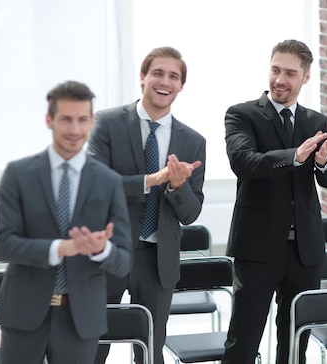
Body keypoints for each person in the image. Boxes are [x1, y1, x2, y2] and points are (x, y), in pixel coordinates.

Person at [221, 39, 327, 364]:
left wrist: (323, 162)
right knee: (243, 342)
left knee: (295, 343)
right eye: (275, 70)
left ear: (305, 77)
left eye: (290, 73)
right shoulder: (242, 114)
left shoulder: (316, 121)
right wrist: (294, 156)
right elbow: (243, 162)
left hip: (305, 252)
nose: (280, 79)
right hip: (258, 249)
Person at [0, 81, 132, 364]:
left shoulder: (109, 182)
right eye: (66, 119)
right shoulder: (19, 174)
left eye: (82, 120)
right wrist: (59, 249)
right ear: (49, 120)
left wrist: (100, 249)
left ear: (92, 121)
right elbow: (4, 245)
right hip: (23, 313)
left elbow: (124, 260)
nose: (75, 129)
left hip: (81, 318)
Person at [87, 46, 206, 364]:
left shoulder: (193, 141)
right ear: (142, 77)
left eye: (173, 76)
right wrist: (155, 179)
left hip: (158, 260)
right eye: (157, 73)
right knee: (91, 345)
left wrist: (178, 186)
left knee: (150, 348)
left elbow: (191, 214)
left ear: (181, 86)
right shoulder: (106, 124)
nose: (164, 81)